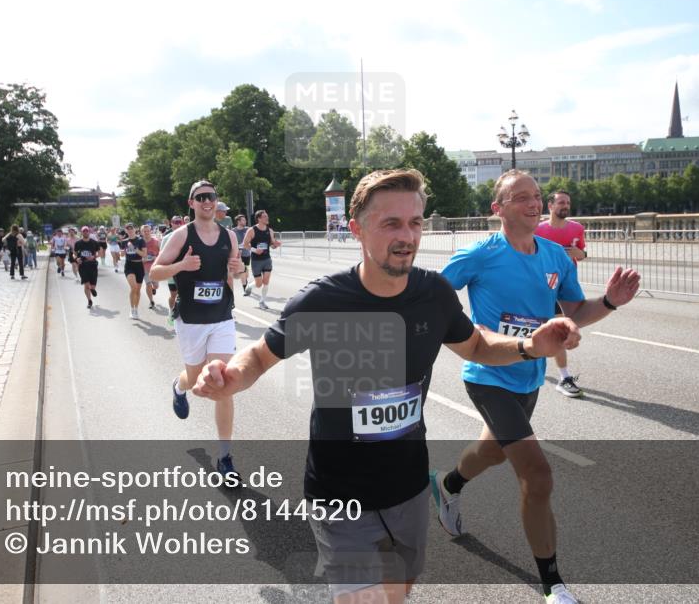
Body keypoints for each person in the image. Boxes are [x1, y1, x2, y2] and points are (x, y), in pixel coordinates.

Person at [192, 169, 579, 604]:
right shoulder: (324, 300)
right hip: (339, 496)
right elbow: (261, 355)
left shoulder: (433, 294)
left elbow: (475, 345)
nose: (407, 236)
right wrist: (230, 377)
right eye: (391, 223)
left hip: (408, 490)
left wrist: (529, 346)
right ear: (357, 229)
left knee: (398, 592)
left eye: (414, 223)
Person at [433, 170, 640, 604]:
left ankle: (448, 485)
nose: (534, 203)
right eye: (522, 197)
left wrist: (608, 303)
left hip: (529, 376)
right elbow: (434, 295)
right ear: (498, 209)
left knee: (492, 452)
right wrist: (466, 331)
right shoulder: (480, 254)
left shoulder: (555, 256)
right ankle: (553, 585)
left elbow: (574, 311)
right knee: (537, 474)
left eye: (538, 196)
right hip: (488, 375)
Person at [150, 180, 246, 478]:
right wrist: (181, 266)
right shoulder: (181, 235)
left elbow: (237, 272)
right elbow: (154, 272)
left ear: (216, 200)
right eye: (201, 197)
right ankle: (179, 388)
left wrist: (240, 270)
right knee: (194, 380)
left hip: (221, 318)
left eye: (211, 196)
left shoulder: (228, 236)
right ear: (191, 203)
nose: (207, 201)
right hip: (191, 320)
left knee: (223, 382)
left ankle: (225, 457)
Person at [534, 190, 587, 398]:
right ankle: (562, 376)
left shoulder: (577, 228)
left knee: (559, 331)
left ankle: (563, 377)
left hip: (565, 288)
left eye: (568, 203)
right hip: (541, 286)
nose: (565, 206)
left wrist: (580, 254)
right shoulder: (538, 229)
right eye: (561, 202)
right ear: (550, 206)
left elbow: (582, 253)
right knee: (542, 328)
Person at [242, 210, 282, 310]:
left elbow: (272, 245)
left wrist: (276, 245)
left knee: (266, 282)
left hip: (267, 259)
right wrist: (255, 250)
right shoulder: (252, 230)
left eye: (267, 216)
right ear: (259, 218)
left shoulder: (270, 231)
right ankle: (249, 287)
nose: (267, 218)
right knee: (259, 284)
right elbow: (245, 244)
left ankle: (262, 302)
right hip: (256, 261)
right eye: (264, 217)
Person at [159, 215, 185, 329]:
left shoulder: (187, 236)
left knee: (184, 294)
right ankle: (171, 311)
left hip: (185, 271)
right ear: (171, 223)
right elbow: (162, 255)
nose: (178, 224)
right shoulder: (167, 238)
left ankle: (183, 316)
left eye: (180, 222)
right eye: (175, 222)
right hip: (172, 271)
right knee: (174, 295)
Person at [121, 223, 147, 319]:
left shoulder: (140, 240)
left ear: (135, 229)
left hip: (139, 265)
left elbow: (144, 254)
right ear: (126, 230)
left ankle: (136, 309)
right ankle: (132, 309)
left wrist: (134, 248)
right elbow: (122, 254)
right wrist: (122, 252)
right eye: (128, 229)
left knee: (138, 290)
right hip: (129, 265)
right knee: (134, 287)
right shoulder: (124, 241)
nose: (130, 230)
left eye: (131, 228)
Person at [74, 226, 100, 309]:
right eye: (84, 231)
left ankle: (92, 289)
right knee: (86, 285)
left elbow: (99, 253)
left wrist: (94, 257)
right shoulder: (78, 243)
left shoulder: (94, 243)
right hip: (83, 266)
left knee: (92, 286)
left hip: (92, 265)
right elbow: (74, 253)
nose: (85, 232)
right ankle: (89, 300)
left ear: (89, 232)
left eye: (87, 231)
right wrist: (76, 258)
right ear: (81, 232)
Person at [141, 224, 161, 309]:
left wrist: (157, 257)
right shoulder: (139, 242)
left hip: (155, 267)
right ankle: (151, 301)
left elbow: (162, 253)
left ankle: (154, 288)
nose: (146, 233)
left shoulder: (156, 241)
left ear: (150, 231)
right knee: (148, 284)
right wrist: (141, 259)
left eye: (148, 231)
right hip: (144, 267)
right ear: (141, 232)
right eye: (144, 231)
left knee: (156, 286)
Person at [232, 214, 251, 291]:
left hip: (247, 254)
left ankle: (245, 282)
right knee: (242, 271)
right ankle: (245, 289)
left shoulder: (248, 230)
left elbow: (252, 239)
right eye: (243, 220)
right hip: (237, 255)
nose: (245, 221)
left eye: (245, 220)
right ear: (238, 221)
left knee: (246, 272)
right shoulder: (233, 231)